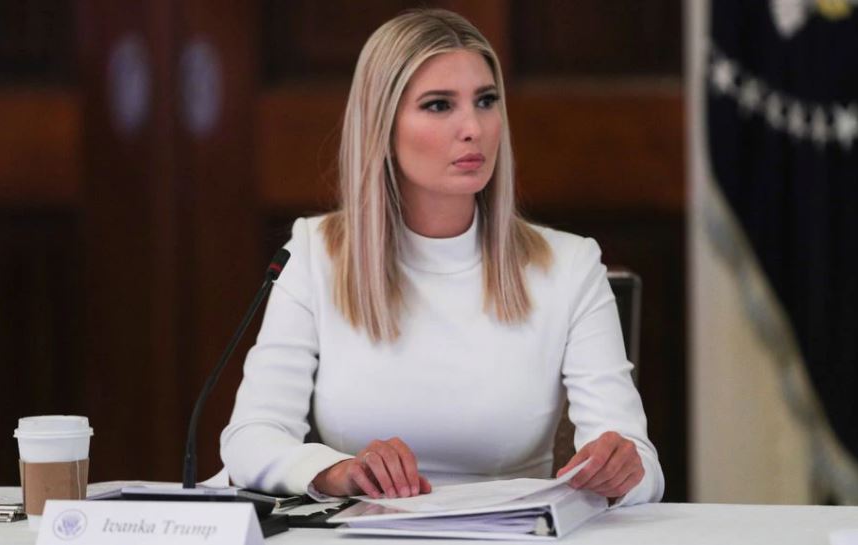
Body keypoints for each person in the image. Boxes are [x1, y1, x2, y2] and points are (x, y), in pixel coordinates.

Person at [221, 8, 664, 506]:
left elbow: (642, 466)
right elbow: (249, 438)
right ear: (382, 127)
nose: (473, 127)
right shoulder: (313, 253)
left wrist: (623, 469)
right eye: (438, 106)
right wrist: (337, 471)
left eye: (486, 100)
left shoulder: (570, 265)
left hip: (512, 537)